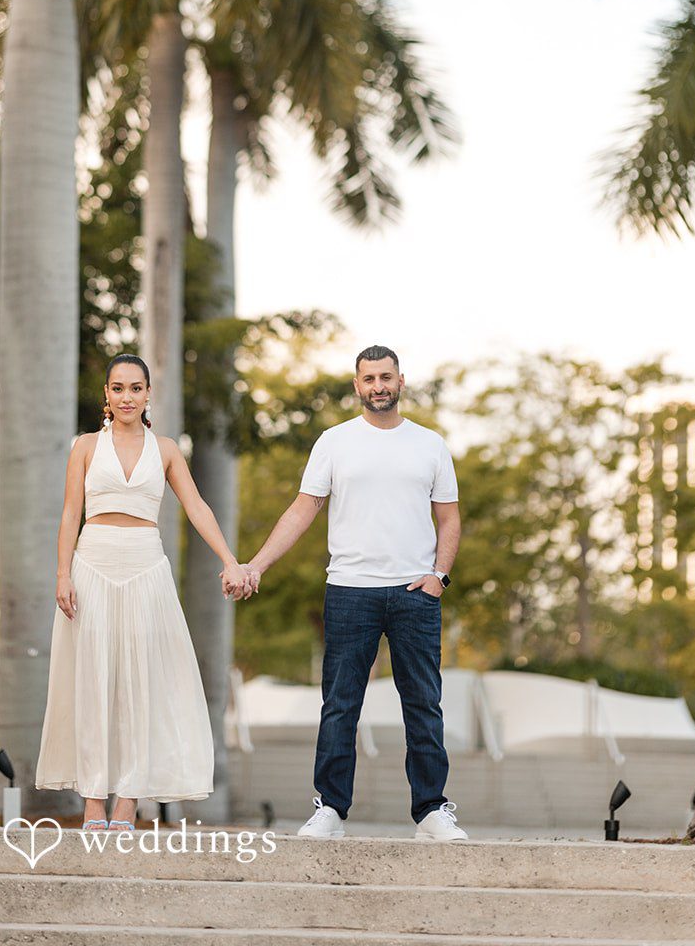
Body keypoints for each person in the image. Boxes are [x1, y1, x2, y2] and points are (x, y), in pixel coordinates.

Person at [235, 344, 467, 842]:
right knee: (340, 705)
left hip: (414, 593)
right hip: (350, 591)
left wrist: (438, 578)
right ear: (356, 384)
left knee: (423, 703)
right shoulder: (334, 442)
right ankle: (330, 810)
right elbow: (302, 509)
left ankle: (431, 811)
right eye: (369, 379)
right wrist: (256, 564)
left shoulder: (430, 445)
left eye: (386, 377)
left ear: (401, 381)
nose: (378, 386)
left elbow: (448, 518)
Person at [34, 352, 253, 829]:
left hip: (146, 566)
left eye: (136, 388)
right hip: (92, 564)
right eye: (118, 388)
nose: (126, 396)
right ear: (106, 396)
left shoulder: (167, 449)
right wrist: (63, 573)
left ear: (148, 394)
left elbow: (197, 507)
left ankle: (128, 800)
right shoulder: (86, 446)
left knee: (139, 684)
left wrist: (229, 559)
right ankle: (93, 799)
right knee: (93, 683)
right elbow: (71, 513)